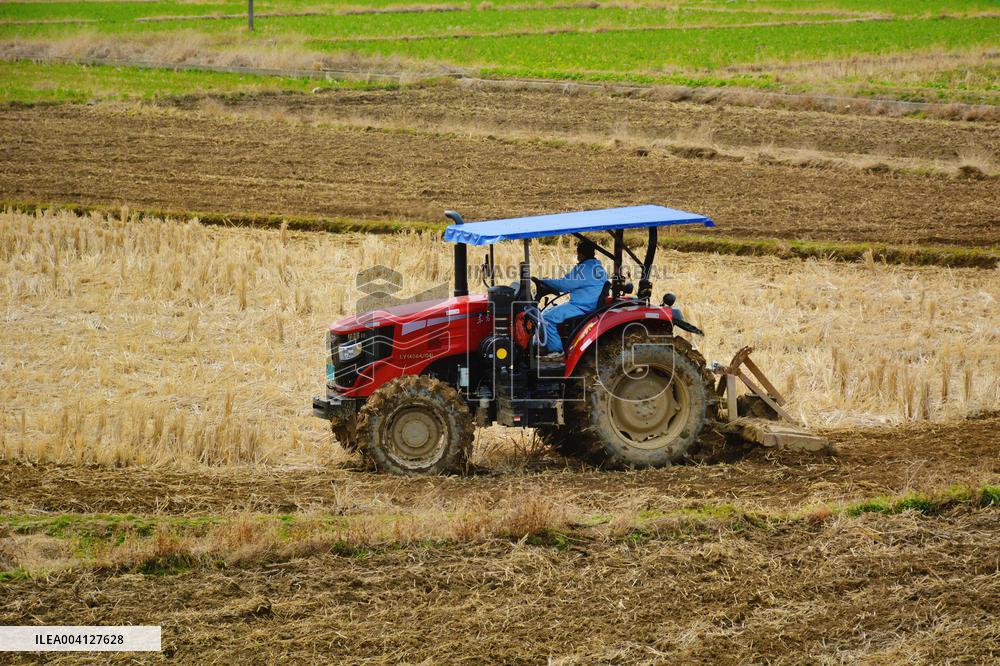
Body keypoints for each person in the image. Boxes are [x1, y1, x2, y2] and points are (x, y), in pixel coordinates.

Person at [534, 239, 608, 362]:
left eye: (578, 254)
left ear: (581, 254)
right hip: (589, 304)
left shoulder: (585, 269)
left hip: (582, 306)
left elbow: (564, 285)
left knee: (546, 318)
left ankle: (557, 351)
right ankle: (543, 346)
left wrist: (544, 281)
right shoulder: (598, 267)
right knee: (547, 311)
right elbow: (569, 281)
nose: (577, 257)